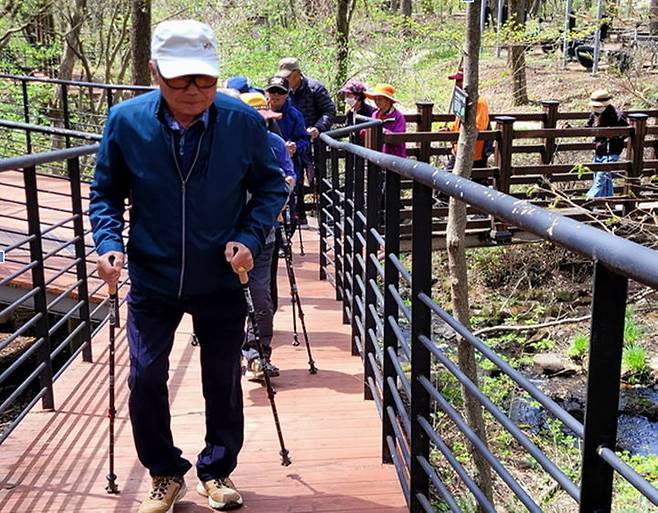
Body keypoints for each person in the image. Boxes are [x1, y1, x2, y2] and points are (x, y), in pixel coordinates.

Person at [89, 20, 287, 513]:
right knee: (146, 377)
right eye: (182, 81)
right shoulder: (125, 120)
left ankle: (216, 470)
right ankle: (164, 472)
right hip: (153, 276)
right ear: (155, 72)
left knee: (221, 379)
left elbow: (269, 187)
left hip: (220, 275)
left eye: (205, 79)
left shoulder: (241, 122)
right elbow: (106, 193)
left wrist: (247, 236)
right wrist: (109, 243)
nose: (196, 92)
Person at [239, 91, 296, 380]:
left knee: (261, 298)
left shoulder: (276, 145)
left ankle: (257, 355)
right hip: (226, 238)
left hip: (264, 235)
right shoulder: (224, 149)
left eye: (265, 119)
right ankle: (233, 353)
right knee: (227, 298)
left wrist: (281, 196)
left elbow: (289, 177)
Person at [276, 57, 336, 224]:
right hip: (294, 142)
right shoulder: (283, 90)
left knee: (319, 177)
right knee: (295, 177)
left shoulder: (315, 88)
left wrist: (318, 128)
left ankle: (328, 217)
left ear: (297, 73)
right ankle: (298, 216)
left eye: (288, 76)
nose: (286, 79)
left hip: (316, 142)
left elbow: (329, 111)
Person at [444, 68, 491, 173]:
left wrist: (458, 134)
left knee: (477, 184)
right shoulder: (462, 100)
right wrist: (449, 129)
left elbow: (479, 127)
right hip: (458, 151)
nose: (457, 84)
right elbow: (458, 122)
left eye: (460, 81)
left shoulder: (480, 102)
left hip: (474, 154)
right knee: (447, 180)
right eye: (457, 81)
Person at [585, 89, 628, 198]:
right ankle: (608, 202)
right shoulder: (594, 115)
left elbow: (626, 132)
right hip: (599, 151)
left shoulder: (618, 115)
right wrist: (571, 129)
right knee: (604, 179)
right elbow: (587, 128)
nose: (595, 108)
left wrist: (615, 135)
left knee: (601, 178)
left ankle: (588, 200)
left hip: (612, 151)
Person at [364, 83, 407, 157]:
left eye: (380, 99)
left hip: (394, 157)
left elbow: (399, 139)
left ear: (389, 100)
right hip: (377, 156)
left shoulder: (398, 117)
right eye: (375, 99)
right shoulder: (375, 114)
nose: (377, 102)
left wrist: (383, 131)